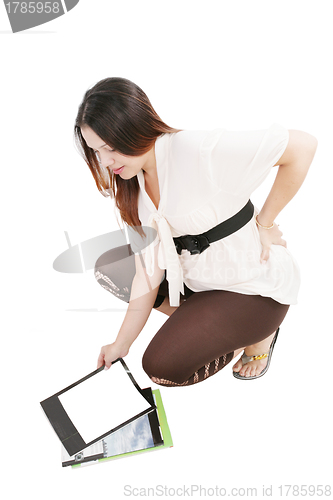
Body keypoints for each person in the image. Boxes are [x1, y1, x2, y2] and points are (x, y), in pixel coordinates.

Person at [74, 77, 317, 385]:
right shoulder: (131, 186)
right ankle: (204, 326)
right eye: (97, 151)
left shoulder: (195, 150)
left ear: (134, 128)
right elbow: (147, 274)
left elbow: (302, 147)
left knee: (162, 367)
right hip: (201, 286)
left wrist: (265, 222)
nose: (106, 162)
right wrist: (121, 344)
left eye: (110, 148)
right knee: (111, 267)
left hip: (250, 290)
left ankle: (257, 336)